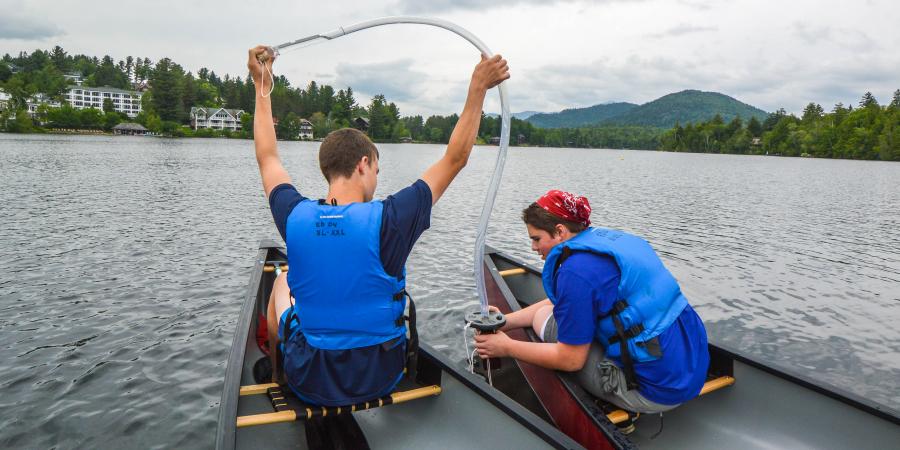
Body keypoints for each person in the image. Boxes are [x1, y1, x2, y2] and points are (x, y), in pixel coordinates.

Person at [247, 45, 510, 406]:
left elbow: (267, 157)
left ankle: (278, 375)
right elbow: (456, 158)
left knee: (280, 281)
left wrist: (262, 86)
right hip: (381, 374)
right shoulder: (392, 219)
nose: (376, 179)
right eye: (377, 171)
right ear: (364, 164)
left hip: (310, 378)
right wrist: (478, 88)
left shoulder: (295, 216)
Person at [474, 189, 709, 417]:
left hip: (653, 393)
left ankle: (610, 401)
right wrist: (506, 321)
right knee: (563, 313)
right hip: (693, 371)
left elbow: (571, 359)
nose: (533, 247)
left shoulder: (576, 273)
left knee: (542, 318)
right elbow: (572, 299)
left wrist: (506, 347)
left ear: (559, 231)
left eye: (536, 239)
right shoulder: (609, 243)